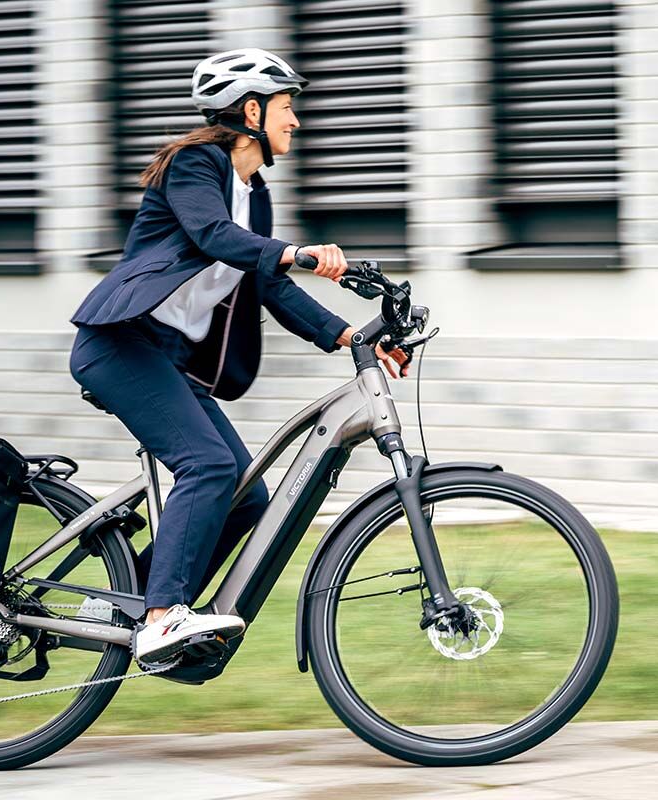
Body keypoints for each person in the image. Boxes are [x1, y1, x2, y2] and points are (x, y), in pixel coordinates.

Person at [67, 48, 408, 665]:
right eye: (286, 108)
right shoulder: (195, 166)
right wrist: (301, 252)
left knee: (246, 495)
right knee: (206, 465)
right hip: (120, 346)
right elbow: (212, 236)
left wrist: (353, 337)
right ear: (251, 111)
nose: (295, 122)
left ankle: (125, 607)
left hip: (172, 361)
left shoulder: (257, 193)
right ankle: (163, 616)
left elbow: (268, 285)